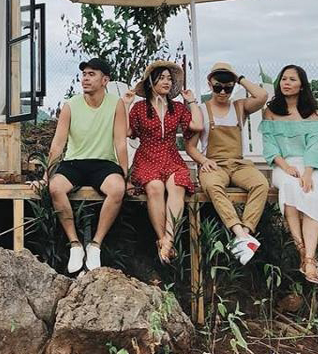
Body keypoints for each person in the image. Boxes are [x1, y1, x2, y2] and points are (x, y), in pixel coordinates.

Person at [45, 58, 129, 274]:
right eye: (84, 74)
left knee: (117, 188)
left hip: (104, 163)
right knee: (55, 187)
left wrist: (125, 175)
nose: (85, 79)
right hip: (74, 162)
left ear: (105, 80)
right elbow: (58, 144)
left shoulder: (116, 104)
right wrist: (46, 176)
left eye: (92, 74)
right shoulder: (70, 105)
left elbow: (120, 142)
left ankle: (95, 245)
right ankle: (75, 244)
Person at [184, 62, 268, 265]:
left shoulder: (240, 107)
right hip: (214, 164)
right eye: (217, 87)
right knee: (213, 185)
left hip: (238, 164)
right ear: (209, 84)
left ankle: (244, 234)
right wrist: (204, 161)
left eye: (228, 88)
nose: (222, 92)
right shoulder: (202, 110)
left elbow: (262, 96)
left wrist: (239, 78)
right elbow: (190, 147)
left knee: (261, 184)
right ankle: (239, 233)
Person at [260, 65, 318, 284]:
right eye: (284, 78)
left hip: (311, 164)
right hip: (283, 164)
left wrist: (308, 172)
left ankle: (309, 259)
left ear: (302, 85)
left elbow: (313, 147)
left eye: (292, 79)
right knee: (290, 187)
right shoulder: (271, 112)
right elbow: (270, 146)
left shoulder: (312, 113)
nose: (287, 83)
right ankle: (301, 250)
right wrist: (285, 166)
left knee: (312, 191)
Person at [128, 61, 203, 264]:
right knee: (155, 187)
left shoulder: (177, 108)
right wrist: (126, 104)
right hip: (147, 156)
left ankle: (168, 240)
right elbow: (127, 131)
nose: (167, 82)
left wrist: (191, 101)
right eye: (161, 78)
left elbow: (197, 125)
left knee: (177, 185)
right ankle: (162, 239)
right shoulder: (139, 108)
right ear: (151, 82)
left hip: (171, 156)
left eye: (169, 79)